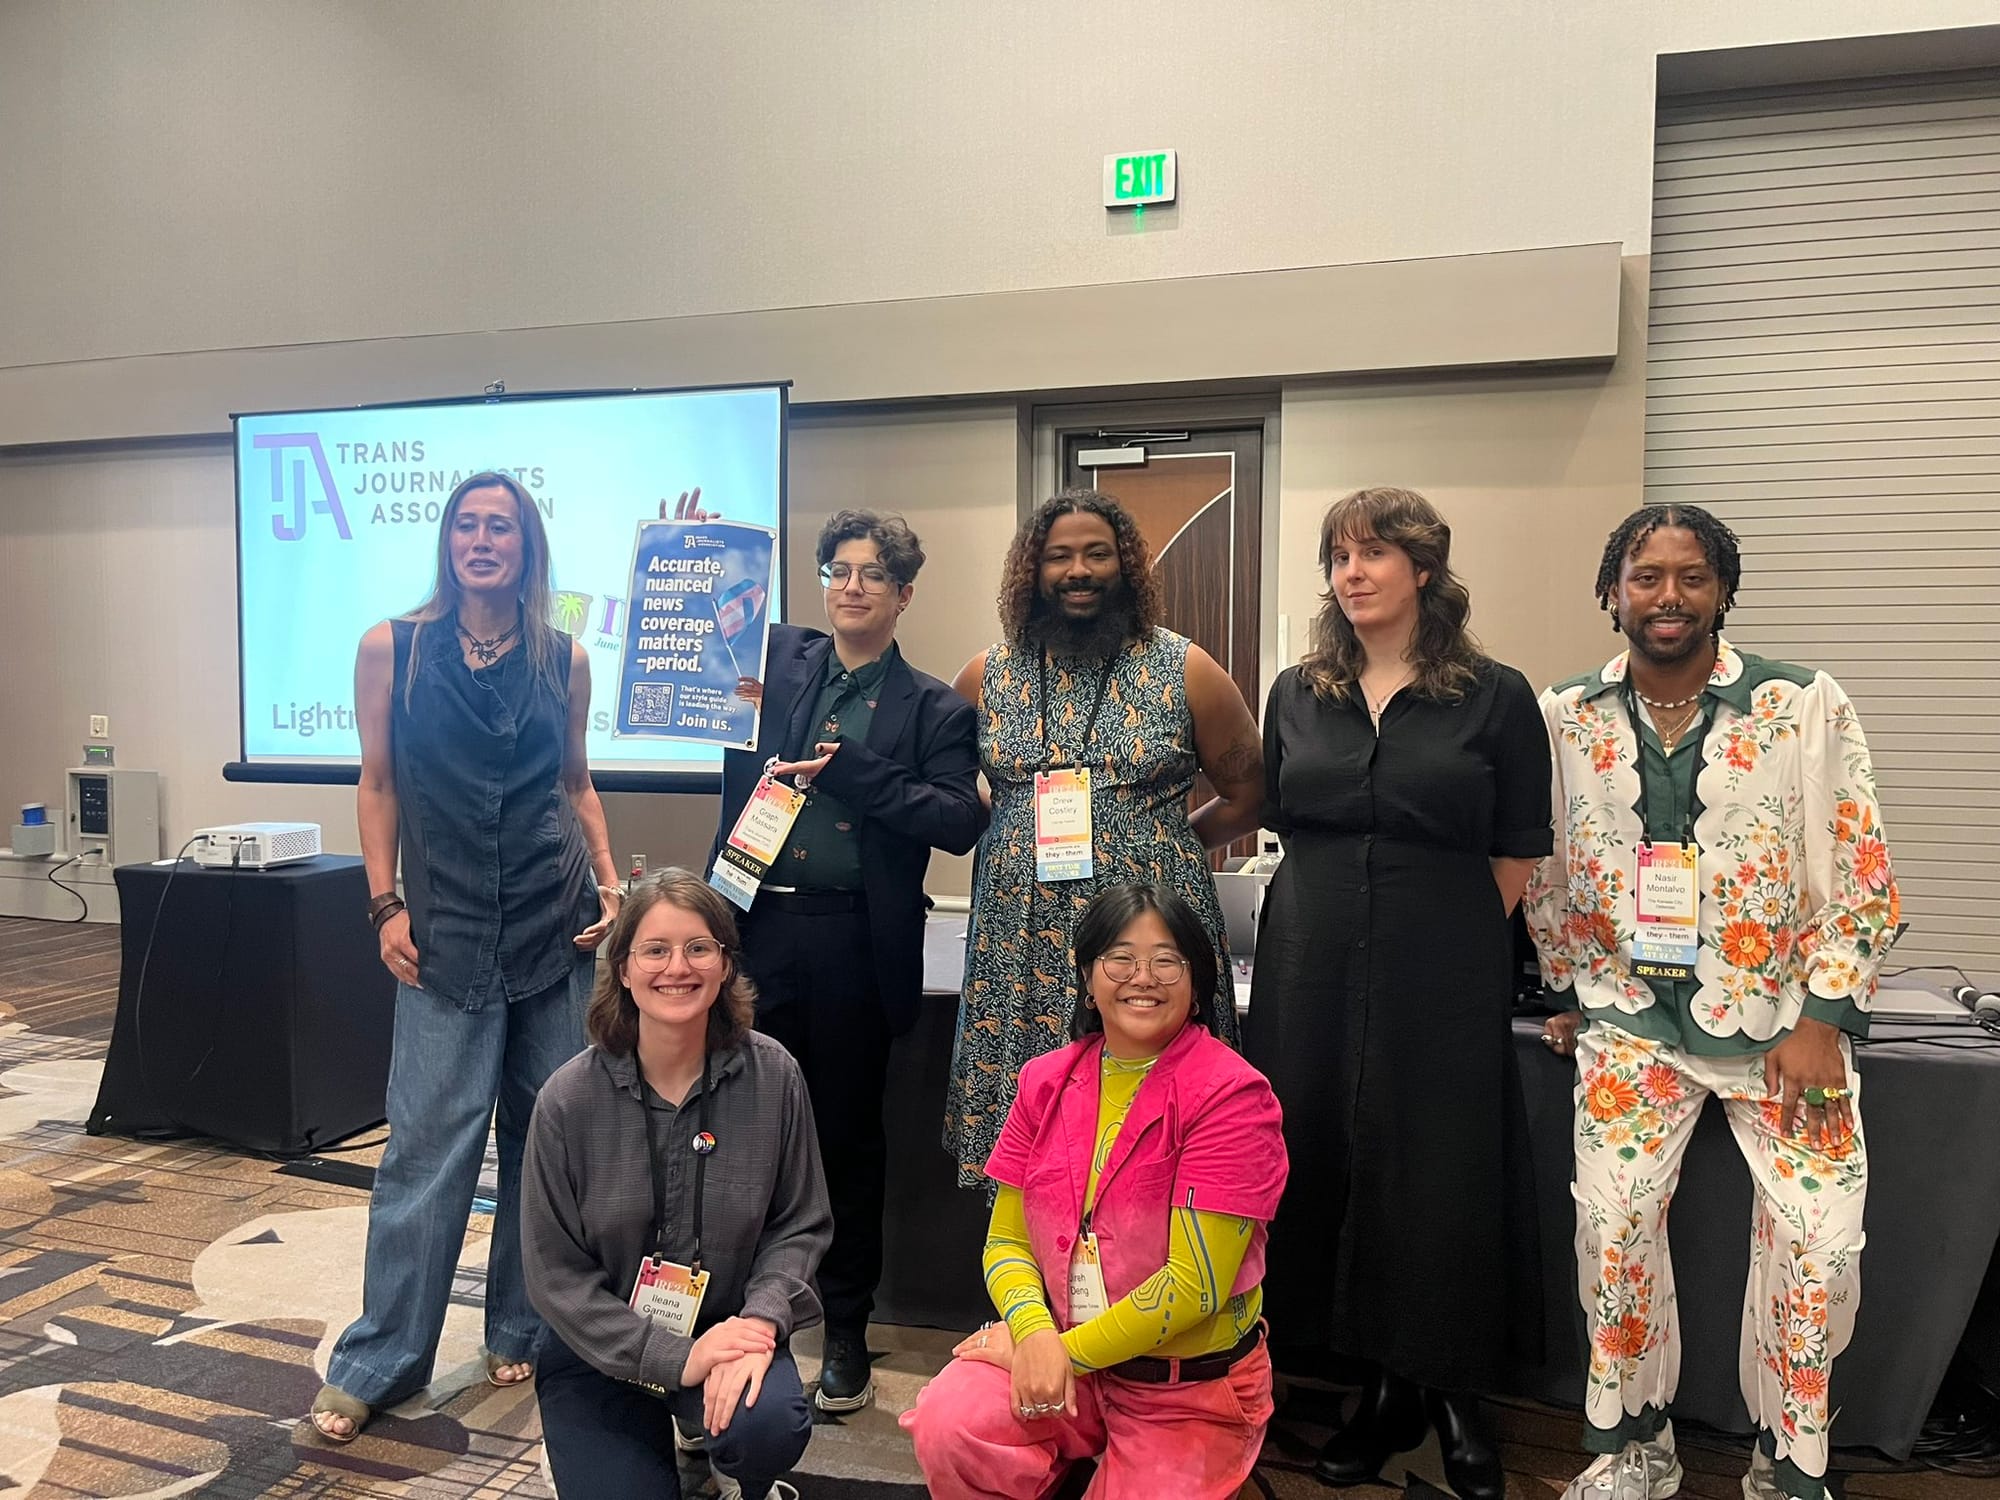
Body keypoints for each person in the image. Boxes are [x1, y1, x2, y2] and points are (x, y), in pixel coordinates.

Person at [1524, 504, 1899, 1500]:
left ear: (1722, 591)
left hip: (1786, 1026)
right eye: (1645, 576)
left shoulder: (1801, 703)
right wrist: (1566, 983)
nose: (1668, 597)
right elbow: (1545, 864)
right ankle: (1635, 1449)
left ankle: (1784, 1465)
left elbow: (1860, 869)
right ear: (1611, 591)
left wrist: (1823, 1019)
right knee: (1611, 1231)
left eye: (1691, 577)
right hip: (1629, 1025)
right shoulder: (1564, 714)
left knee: (1820, 1249)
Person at [1245, 487, 1551, 1499]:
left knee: (1438, 1173)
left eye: (1373, 553)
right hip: (1310, 963)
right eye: (1338, 556)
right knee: (1326, 1157)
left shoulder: (1495, 696)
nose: (1352, 573)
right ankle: (1375, 1390)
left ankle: (1450, 1391)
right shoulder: (1298, 692)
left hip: (1442, 966)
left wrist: (1447, 935)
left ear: (1423, 569)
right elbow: (1281, 816)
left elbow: (1517, 848)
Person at [311, 470, 620, 1442]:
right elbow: (377, 783)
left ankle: (520, 1325)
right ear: (447, 542)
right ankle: (380, 1358)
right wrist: (383, 904)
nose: (482, 540)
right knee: (426, 1151)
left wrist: (610, 886)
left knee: (545, 1140)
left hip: (553, 924)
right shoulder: (391, 648)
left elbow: (575, 783)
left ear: (527, 548)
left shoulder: (564, 658)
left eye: (501, 527)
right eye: (467, 526)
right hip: (442, 932)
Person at [710, 508, 985, 1411]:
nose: (852, 586)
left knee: (845, 1144)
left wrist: (855, 772)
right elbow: (702, 619)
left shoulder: (935, 708)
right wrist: (695, 549)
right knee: (737, 1131)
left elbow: (959, 819)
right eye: (838, 570)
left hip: (851, 946)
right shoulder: (778, 664)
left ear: (903, 594)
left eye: (872, 574)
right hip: (756, 931)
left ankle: (845, 1329)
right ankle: (742, 1313)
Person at [903, 882, 1288, 1498]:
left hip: (1185, 1389)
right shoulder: (1044, 1081)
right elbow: (1006, 1243)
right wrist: (1033, 1333)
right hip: (1066, 1362)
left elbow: (1193, 1287)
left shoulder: (1233, 1097)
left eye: (1167, 960)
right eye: (1120, 958)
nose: (1143, 977)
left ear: (1197, 984)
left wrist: (1056, 1355)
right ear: (1087, 976)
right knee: (951, 1423)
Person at [948, 489, 1264, 1186]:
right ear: (1032, 571)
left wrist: (1168, 841)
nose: (1078, 571)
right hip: (1019, 941)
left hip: (1145, 929)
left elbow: (1250, 794)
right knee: (1031, 1133)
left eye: (1097, 554)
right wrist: (1010, 824)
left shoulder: (1185, 669)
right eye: (1058, 557)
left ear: (1127, 566)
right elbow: (945, 789)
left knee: (1159, 1123)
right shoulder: (985, 675)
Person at [521, 868, 830, 1500]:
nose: (677, 968)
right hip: (599, 1349)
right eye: (655, 950)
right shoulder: (567, 1100)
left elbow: (799, 1224)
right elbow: (555, 1276)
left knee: (767, 1428)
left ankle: (729, 1458)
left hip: (728, 1332)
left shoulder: (774, 1076)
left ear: (725, 964)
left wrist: (762, 1322)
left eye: (698, 948)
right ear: (623, 969)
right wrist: (676, 1359)